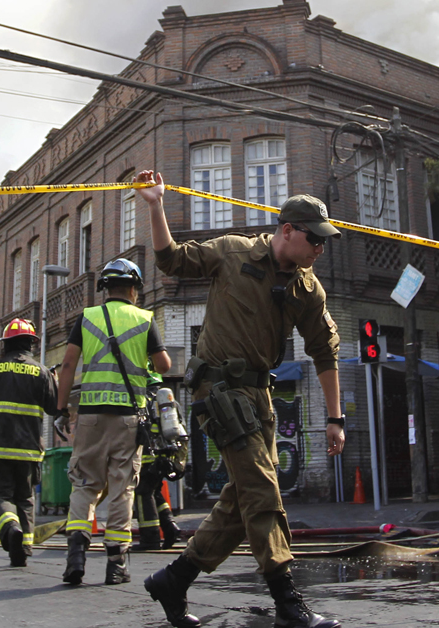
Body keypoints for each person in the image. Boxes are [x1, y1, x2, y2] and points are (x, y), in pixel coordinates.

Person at [137, 170, 345, 628]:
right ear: (287, 230)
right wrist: (155, 204)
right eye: (314, 238)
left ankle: (174, 579)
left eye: (324, 241)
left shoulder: (308, 288)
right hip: (219, 390)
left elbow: (324, 351)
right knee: (262, 489)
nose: (320, 248)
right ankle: (288, 603)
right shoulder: (233, 252)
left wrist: (336, 418)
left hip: (260, 396)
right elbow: (171, 260)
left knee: (241, 498)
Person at [56, 258, 172, 586]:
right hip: (127, 419)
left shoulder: (87, 317)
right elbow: (163, 365)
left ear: (105, 288)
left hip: (90, 415)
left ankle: (76, 554)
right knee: (122, 488)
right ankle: (116, 565)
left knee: (85, 484)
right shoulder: (144, 319)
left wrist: (62, 409)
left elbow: (68, 365)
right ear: (134, 289)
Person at [0, 318, 60, 567]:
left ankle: (10, 527)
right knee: (25, 499)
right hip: (29, 452)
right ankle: (23, 549)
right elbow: (54, 407)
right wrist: (54, 381)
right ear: (31, 344)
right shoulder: (41, 372)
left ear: (5, 344)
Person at [133, 369, 185, 552]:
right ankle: (170, 528)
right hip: (165, 455)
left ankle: (150, 538)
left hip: (147, 457)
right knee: (154, 492)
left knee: (142, 493)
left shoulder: (142, 400)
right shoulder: (169, 402)